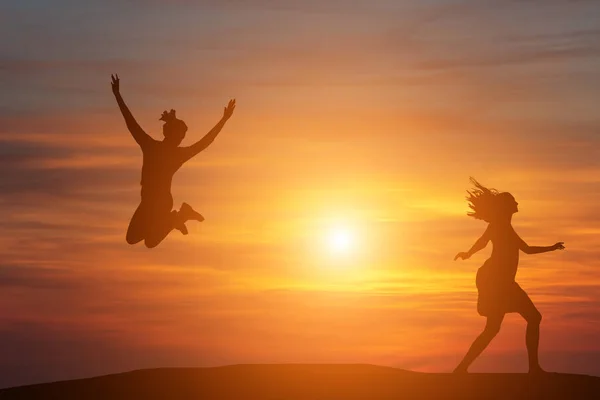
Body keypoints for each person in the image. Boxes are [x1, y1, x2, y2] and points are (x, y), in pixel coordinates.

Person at [111, 74, 236, 248]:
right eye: (180, 135)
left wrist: (223, 120)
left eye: (182, 137)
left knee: (151, 242)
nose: (181, 139)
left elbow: (205, 142)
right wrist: (117, 96)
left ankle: (179, 216)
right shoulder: (153, 147)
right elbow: (131, 124)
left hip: (161, 202)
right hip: (147, 202)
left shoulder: (159, 149)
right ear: (169, 133)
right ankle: (178, 217)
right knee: (132, 238)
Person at [453, 178, 564, 374]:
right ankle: (533, 368)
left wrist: (552, 248)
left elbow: (527, 250)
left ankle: (462, 368)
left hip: (502, 282)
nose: (517, 203)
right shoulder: (498, 225)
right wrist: (468, 254)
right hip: (498, 282)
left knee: (494, 329)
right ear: (506, 206)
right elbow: (482, 241)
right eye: (513, 201)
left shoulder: (505, 226)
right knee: (532, 318)